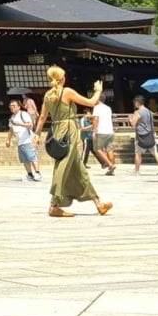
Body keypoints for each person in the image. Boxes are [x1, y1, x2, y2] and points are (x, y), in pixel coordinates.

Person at [33, 66, 112, 218]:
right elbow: (91, 102)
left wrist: (37, 134)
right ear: (62, 79)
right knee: (62, 166)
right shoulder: (67, 91)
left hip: (57, 130)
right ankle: (54, 205)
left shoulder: (48, 95)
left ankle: (98, 203)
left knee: (79, 169)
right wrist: (98, 90)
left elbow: (42, 117)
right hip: (68, 130)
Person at [6, 98, 40, 182]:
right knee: (24, 159)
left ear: (18, 107)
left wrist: (19, 124)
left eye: (14, 106)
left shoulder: (23, 114)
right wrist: (8, 139)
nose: (12, 108)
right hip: (19, 141)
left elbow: (30, 125)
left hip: (27, 140)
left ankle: (37, 173)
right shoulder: (12, 117)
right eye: (10, 107)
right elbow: (11, 129)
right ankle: (30, 174)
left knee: (32, 157)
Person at [130, 96, 158, 176]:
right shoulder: (149, 111)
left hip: (141, 135)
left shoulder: (138, 112)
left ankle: (137, 171)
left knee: (138, 153)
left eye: (135, 102)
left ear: (137, 102)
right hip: (150, 134)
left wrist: (130, 120)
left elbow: (133, 124)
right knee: (155, 152)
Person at [91, 94, 118, 175]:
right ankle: (112, 168)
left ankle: (110, 165)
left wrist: (94, 131)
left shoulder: (96, 108)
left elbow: (96, 119)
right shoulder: (108, 108)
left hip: (101, 131)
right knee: (109, 150)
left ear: (98, 99)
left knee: (97, 149)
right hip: (110, 131)